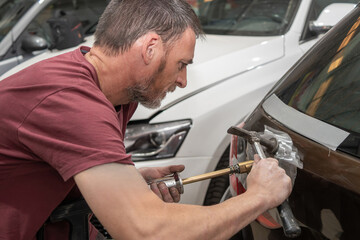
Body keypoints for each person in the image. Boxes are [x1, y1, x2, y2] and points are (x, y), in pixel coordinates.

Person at [0, 0, 292, 239]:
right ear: (150, 47)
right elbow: (147, 232)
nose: (183, 81)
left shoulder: (112, 93)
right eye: (181, 65)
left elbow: (40, 168)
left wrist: (124, 181)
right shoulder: (71, 100)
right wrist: (260, 197)